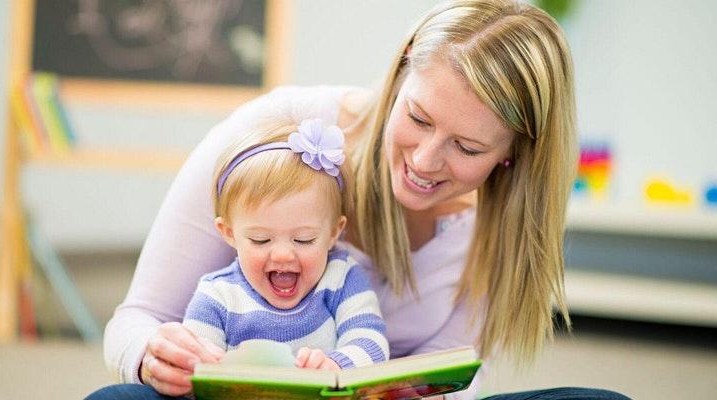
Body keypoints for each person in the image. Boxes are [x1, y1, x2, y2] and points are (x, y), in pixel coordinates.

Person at [88, 1, 630, 399]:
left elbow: (462, 376)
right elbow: (137, 318)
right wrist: (152, 355)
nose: (423, 161)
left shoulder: (500, 225)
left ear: (512, 154)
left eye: (466, 147)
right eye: (417, 118)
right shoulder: (276, 135)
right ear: (401, 73)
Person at [181, 117, 388, 374]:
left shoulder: (341, 278)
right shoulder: (217, 297)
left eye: (304, 240)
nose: (282, 255)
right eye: (260, 240)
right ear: (229, 233)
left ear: (334, 232)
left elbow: (372, 342)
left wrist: (335, 365)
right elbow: (194, 365)